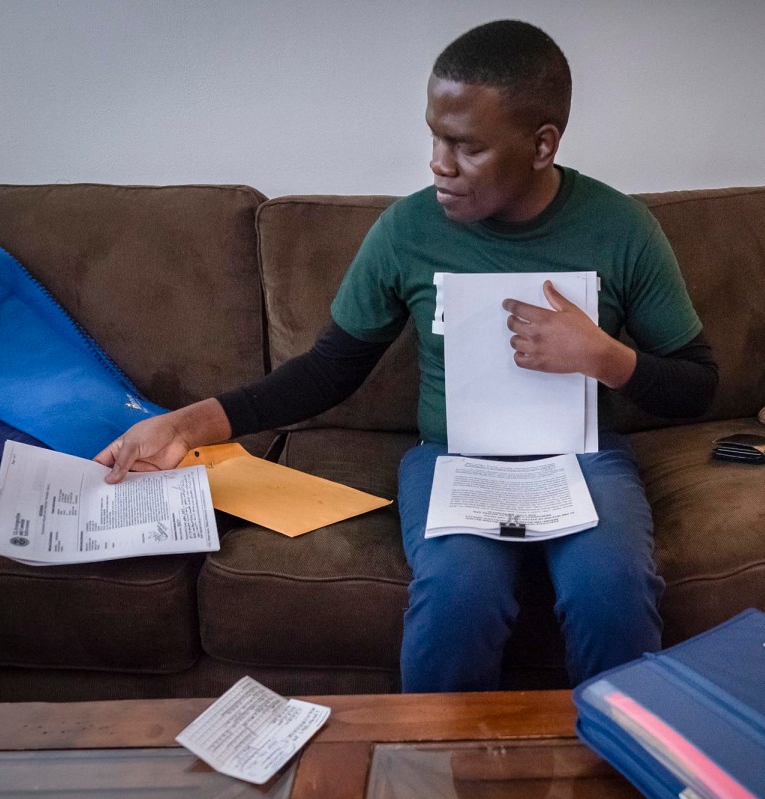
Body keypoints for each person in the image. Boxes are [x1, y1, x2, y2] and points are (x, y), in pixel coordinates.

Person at [96, 19, 718, 692]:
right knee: (458, 593)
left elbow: (698, 384)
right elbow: (327, 371)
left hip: (583, 457)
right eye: (435, 136)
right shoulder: (408, 230)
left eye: (466, 146)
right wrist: (184, 425)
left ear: (543, 145)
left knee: (611, 587)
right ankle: (430, 770)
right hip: (454, 458)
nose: (438, 163)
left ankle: (625, 760)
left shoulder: (621, 229)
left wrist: (605, 357)